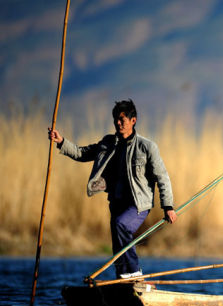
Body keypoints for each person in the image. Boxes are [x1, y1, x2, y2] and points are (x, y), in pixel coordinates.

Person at [48, 99, 177, 279]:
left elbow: (162, 177)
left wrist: (168, 206)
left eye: (122, 120)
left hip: (139, 204)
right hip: (116, 202)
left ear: (133, 120)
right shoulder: (108, 143)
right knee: (117, 241)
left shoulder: (147, 147)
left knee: (121, 225)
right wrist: (61, 141)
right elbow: (82, 153)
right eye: (116, 119)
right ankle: (122, 277)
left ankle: (134, 272)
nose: (118, 123)